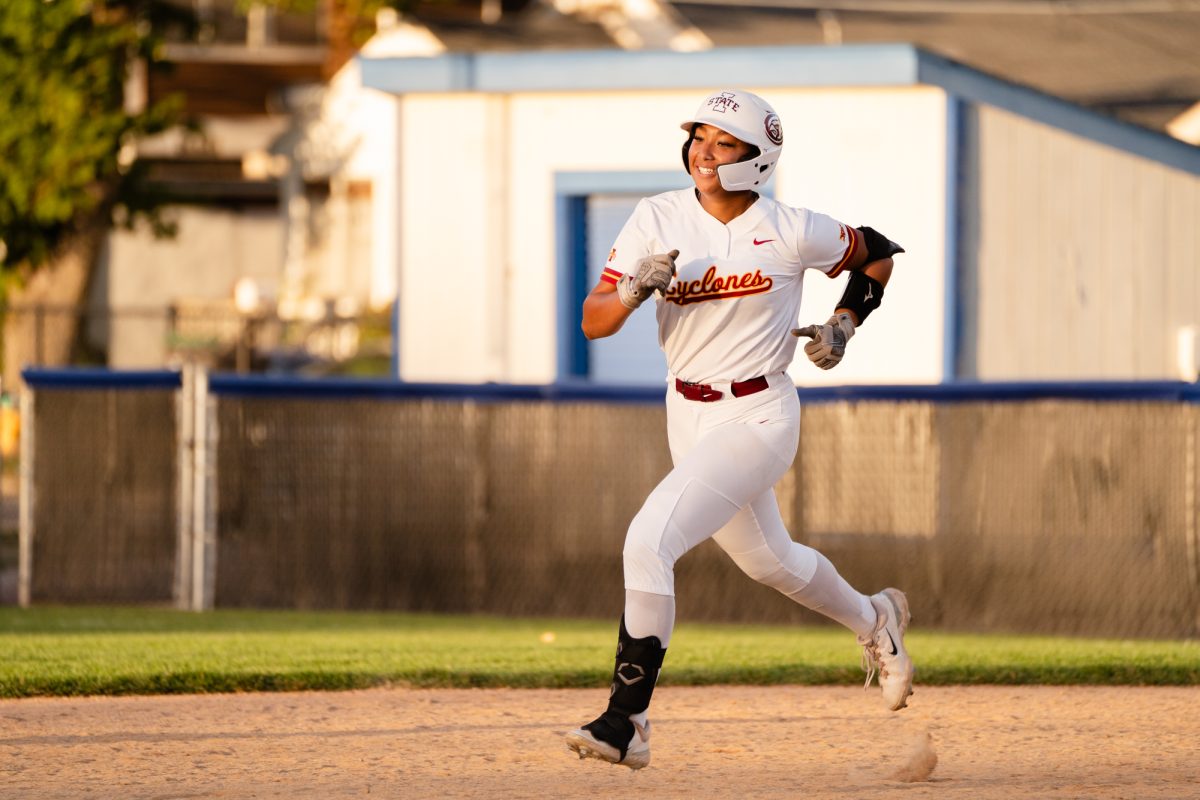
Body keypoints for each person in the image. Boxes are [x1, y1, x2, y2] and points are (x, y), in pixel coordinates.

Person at [564, 89, 912, 771]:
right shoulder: (656, 216)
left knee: (648, 539)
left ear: (757, 159)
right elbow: (594, 319)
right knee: (769, 561)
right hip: (686, 413)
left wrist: (844, 324)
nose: (703, 151)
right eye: (699, 136)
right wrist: (634, 290)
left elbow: (878, 253)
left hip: (758, 414)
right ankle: (877, 620)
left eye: (723, 143)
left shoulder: (790, 228)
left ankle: (626, 721)